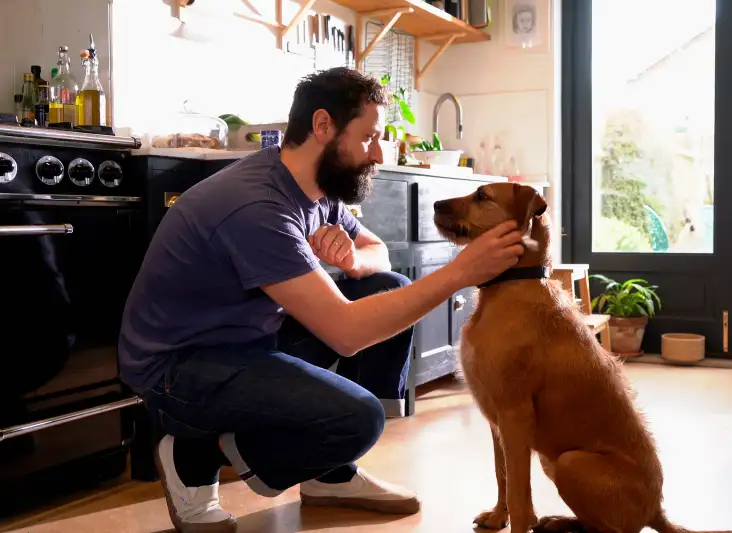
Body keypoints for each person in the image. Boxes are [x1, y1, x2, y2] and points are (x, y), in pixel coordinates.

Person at [118, 67, 524, 533]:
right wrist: (461, 273)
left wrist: (354, 259)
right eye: (369, 137)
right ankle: (192, 452)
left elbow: (379, 250)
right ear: (324, 126)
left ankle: (330, 474)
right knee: (358, 419)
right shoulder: (256, 206)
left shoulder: (315, 187)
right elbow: (346, 333)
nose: (378, 152)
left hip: (248, 341)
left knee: (385, 284)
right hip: (177, 369)